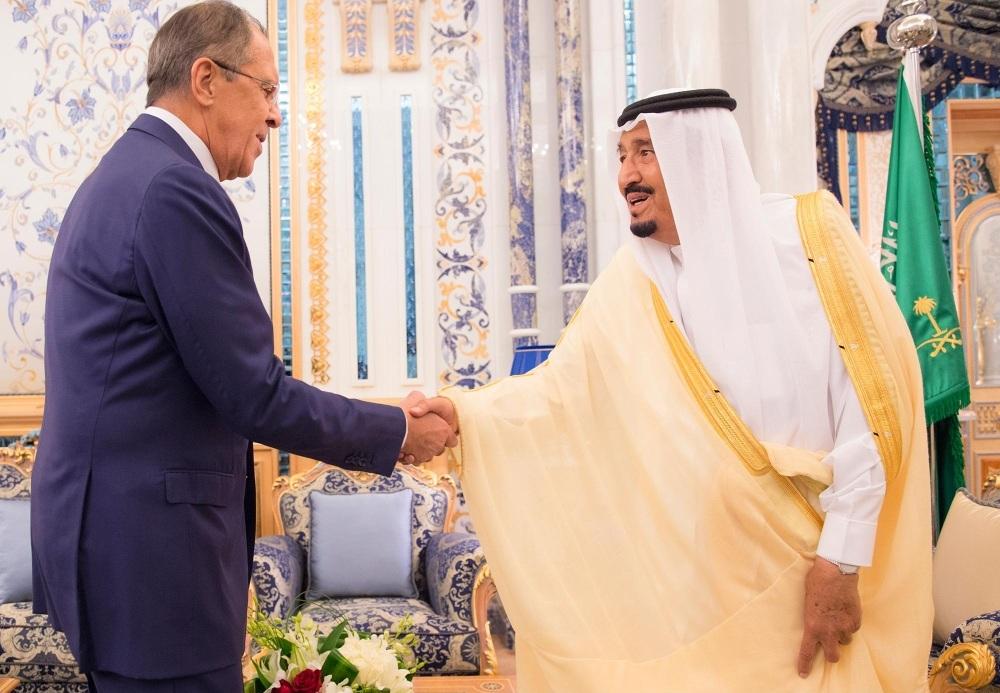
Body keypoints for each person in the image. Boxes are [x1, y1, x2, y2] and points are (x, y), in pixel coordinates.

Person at [411, 89, 933, 691]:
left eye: (645, 153)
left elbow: (872, 409)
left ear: (698, 155)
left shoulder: (807, 239)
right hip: (700, 584)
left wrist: (841, 559)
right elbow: (556, 393)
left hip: (808, 566)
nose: (627, 175)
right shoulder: (636, 277)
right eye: (621, 156)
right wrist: (463, 413)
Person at [30, 2, 455, 691]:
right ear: (206, 79)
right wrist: (397, 431)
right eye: (266, 90)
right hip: (154, 566)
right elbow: (253, 392)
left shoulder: (124, 174)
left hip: (113, 551)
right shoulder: (174, 189)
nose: (274, 116)